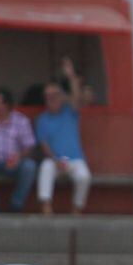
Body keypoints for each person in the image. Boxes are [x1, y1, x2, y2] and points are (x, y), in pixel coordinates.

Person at [36, 81, 91, 215]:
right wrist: (55, 160)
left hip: (74, 159)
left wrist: (71, 76)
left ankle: (76, 209)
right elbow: (44, 145)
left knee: (84, 176)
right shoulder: (42, 120)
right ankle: (46, 208)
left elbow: (77, 97)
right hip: (55, 161)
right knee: (45, 167)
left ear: (61, 96)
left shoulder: (70, 112)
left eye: (54, 94)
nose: (51, 98)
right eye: (48, 95)